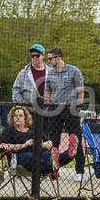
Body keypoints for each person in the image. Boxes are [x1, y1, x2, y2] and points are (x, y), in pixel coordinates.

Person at [41, 47, 87, 183]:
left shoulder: (74, 70)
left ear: (58, 57)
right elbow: (48, 92)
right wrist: (46, 105)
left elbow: (81, 92)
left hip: (70, 108)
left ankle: (80, 171)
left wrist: (77, 106)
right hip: (55, 109)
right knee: (53, 141)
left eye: (50, 58)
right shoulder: (50, 74)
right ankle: (53, 170)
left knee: (75, 139)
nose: (49, 61)